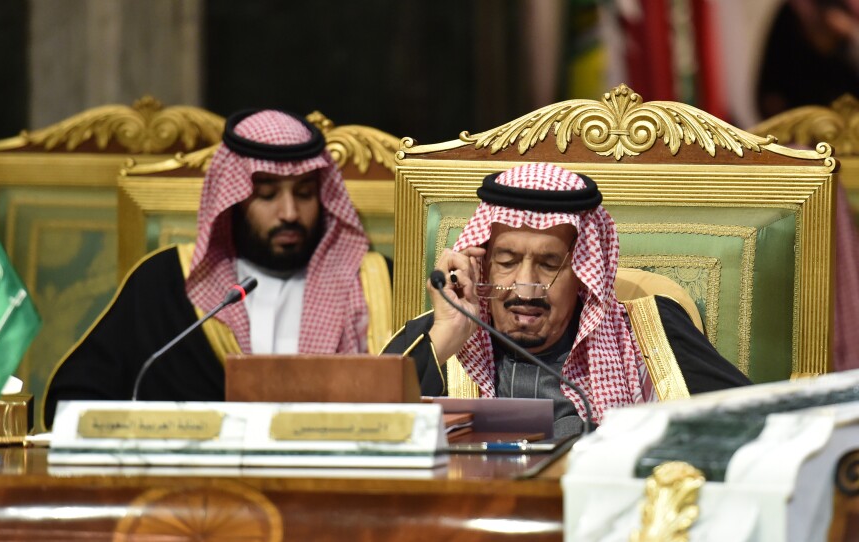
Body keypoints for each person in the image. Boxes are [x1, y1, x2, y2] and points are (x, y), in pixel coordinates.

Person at [43, 110, 390, 428]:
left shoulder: (374, 283)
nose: (289, 213)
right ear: (233, 202)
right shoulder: (165, 283)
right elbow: (75, 402)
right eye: (267, 195)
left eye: (304, 193)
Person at [383, 163, 750, 437]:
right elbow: (357, 428)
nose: (525, 287)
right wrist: (447, 334)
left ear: (582, 272)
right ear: (483, 264)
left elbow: (751, 424)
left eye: (549, 264)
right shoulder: (438, 342)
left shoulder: (650, 332)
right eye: (507, 262)